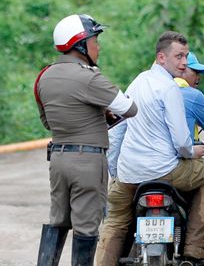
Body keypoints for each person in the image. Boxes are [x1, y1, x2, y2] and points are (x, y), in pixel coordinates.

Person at [96, 31, 204, 266]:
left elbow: (117, 132)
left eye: (185, 56)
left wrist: (116, 172)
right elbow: (182, 142)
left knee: (114, 223)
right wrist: (192, 152)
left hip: (129, 174)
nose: (184, 63)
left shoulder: (138, 81)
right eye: (179, 56)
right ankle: (194, 248)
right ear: (161, 58)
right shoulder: (169, 88)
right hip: (165, 172)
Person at [34, 14, 137, 266]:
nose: (98, 46)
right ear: (80, 44)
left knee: (58, 220)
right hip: (88, 161)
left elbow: (48, 122)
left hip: (58, 158)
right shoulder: (89, 77)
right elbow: (129, 108)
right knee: (87, 227)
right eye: (95, 40)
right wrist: (102, 112)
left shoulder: (44, 78)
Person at [173, 52, 204, 143]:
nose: (199, 77)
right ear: (181, 70)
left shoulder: (159, 90)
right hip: (182, 154)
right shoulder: (194, 96)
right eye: (195, 71)